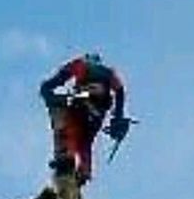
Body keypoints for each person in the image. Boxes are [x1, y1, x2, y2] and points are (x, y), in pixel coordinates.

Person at [40, 52, 130, 185]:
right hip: (99, 110)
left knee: (70, 129)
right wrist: (118, 116)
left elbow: (59, 79)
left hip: (83, 101)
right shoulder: (108, 72)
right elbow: (120, 91)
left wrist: (48, 90)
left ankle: (68, 158)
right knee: (86, 141)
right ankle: (84, 170)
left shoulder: (80, 64)